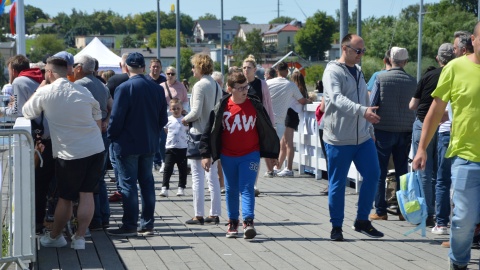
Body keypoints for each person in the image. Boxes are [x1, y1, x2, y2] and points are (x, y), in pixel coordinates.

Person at [412, 22, 480, 270]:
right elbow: (436, 110)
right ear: (473, 39)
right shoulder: (455, 68)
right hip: (466, 156)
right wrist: (421, 149)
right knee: (463, 219)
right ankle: (459, 262)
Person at [23, 56, 105, 250]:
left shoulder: (46, 92)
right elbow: (98, 113)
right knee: (87, 195)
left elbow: (27, 112)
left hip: (70, 153)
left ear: (49, 73)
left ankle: (55, 236)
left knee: (66, 197)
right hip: (94, 147)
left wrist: (39, 89)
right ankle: (80, 238)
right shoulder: (81, 89)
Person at [199, 71, 279, 239]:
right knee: (231, 189)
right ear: (230, 89)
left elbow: (267, 129)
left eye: (246, 87)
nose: (245, 90)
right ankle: (233, 222)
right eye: (240, 88)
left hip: (251, 154)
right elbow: (209, 131)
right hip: (228, 155)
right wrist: (206, 154)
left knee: (247, 187)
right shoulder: (222, 106)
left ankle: (248, 221)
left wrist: (272, 152)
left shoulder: (255, 104)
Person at [322, 33, 383, 241]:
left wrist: (370, 129)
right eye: (358, 50)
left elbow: (364, 98)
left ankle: (362, 220)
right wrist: (361, 110)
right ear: (344, 48)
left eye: (363, 51)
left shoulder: (358, 71)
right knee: (337, 183)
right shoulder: (332, 71)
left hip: (362, 137)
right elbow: (337, 99)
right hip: (339, 138)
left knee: (374, 174)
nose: (361, 54)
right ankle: (336, 226)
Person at [107, 52, 168, 236]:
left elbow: (116, 118)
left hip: (127, 144)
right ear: (143, 68)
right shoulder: (157, 88)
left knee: (128, 185)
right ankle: (148, 224)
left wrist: (111, 136)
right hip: (149, 143)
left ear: (126, 68)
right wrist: (153, 134)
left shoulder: (124, 88)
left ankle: (130, 224)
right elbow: (162, 118)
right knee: (147, 183)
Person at [369, 47, 416, 221]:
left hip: (384, 130)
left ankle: (381, 210)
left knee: (380, 171)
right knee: (402, 172)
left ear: (389, 59)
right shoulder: (413, 81)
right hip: (405, 131)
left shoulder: (380, 78)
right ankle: (403, 211)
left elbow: (373, 104)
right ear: (405, 62)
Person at [5, 54, 51, 234]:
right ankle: (41, 220)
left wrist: (2, 109)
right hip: (48, 136)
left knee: (32, 183)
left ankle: (32, 224)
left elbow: (17, 112)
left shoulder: (18, 82)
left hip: (35, 140)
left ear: (14, 70)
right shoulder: (36, 78)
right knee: (43, 184)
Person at [73, 54, 113, 230]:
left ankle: (94, 219)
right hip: (102, 132)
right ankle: (104, 217)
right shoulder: (102, 85)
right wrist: (106, 121)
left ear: (80, 67)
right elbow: (113, 106)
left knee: (89, 180)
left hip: (87, 135)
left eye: (75, 65)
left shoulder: (79, 86)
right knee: (100, 178)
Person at [182, 53, 222, 225]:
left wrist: (184, 119)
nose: (192, 69)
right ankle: (214, 213)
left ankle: (198, 214)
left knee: (198, 176)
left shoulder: (199, 86)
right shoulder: (216, 85)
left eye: (193, 66)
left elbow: (196, 112)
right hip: (213, 133)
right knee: (212, 176)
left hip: (199, 133)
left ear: (199, 67)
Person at [266, 61, 308, 177]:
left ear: (276, 71)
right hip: (286, 116)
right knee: (284, 143)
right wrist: (308, 101)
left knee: (282, 143)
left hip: (273, 116)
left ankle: (280, 167)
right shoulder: (290, 85)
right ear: (286, 71)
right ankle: (279, 166)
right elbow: (301, 100)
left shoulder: (268, 83)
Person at [242, 55, 276, 195]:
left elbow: (267, 105)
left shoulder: (261, 84)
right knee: (242, 154)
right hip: (241, 124)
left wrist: (271, 125)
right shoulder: (240, 83)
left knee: (254, 155)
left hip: (257, 124)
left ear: (255, 69)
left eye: (248, 68)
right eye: (243, 67)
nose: (246, 70)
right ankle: (243, 182)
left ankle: (253, 184)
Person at [105, 53, 129, 203]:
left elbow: (108, 106)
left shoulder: (114, 81)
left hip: (118, 131)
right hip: (142, 134)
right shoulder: (149, 83)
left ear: (122, 66)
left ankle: (121, 190)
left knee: (116, 161)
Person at [276, 70, 310, 177]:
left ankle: (289, 168)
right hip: (290, 115)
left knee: (288, 143)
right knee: (284, 143)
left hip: (290, 115)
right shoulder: (301, 91)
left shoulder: (295, 90)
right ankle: (278, 166)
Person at [159, 98, 189, 197]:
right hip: (170, 148)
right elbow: (166, 130)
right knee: (168, 168)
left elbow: (187, 130)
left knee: (182, 169)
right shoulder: (168, 120)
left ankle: (181, 187)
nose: (176, 110)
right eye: (174, 108)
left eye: (178, 108)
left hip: (182, 147)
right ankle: (164, 187)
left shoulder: (185, 120)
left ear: (182, 109)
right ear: (170, 109)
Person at [149, 58, 168, 173]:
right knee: (151, 139)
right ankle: (155, 161)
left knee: (162, 139)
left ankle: (162, 160)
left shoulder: (164, 80)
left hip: (161, 113)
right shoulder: (146, 80)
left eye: (157, 67)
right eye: (154, 66)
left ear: (160, 68)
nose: (155, 69)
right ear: (150, 68)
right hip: (149, 114)